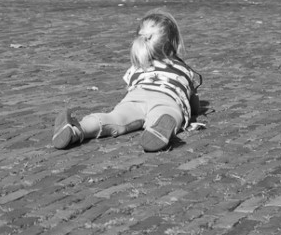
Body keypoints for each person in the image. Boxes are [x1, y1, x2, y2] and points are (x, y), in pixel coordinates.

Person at [51, 10, 203, 153]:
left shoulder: (137, 67)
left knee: (114, 119)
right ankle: (157, 129)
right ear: (173, 43)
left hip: (135, 98)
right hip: (167, 98)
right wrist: (195, 108)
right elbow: (193, 104)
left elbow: (130, 87)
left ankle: (76, 129)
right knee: (169, 114)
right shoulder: (184, 70)